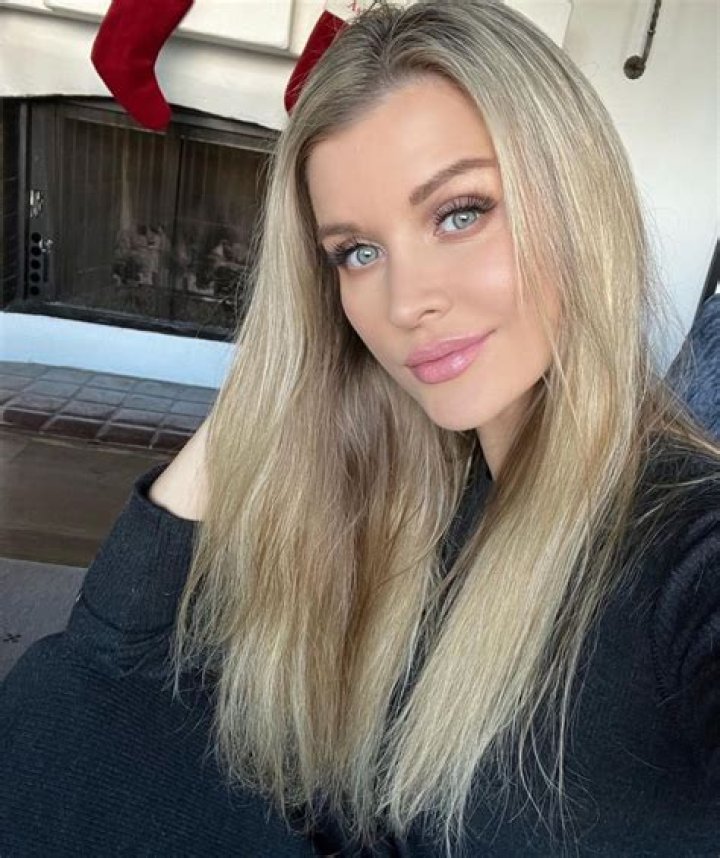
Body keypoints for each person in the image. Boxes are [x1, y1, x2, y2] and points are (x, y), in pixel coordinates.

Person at [2, 2, 719, 856]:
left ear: (577, 204)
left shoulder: (685, 546)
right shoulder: (421, 488)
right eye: (356, 252)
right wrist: (286, 367)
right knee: (57, 700)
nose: (406, 303)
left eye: (460, 212)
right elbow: (114, 650)